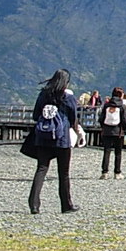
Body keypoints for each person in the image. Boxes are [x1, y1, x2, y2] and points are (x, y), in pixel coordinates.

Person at [27, 68, 82, 214]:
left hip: (43, 137)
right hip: (61, 138)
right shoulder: (68, 97)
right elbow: (73, 118)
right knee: (63, 173)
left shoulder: (43, 95)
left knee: (41, 168)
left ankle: (34, 204)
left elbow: (35, 115)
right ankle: (66, 205)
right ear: (66, 82)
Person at [98, 87, 126, 180]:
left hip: (107, 131)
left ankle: (104, 172)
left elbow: (101, 119)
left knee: (106, 151)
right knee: (118, 153)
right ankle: (117, 172)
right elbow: (125, 120)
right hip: (118, 132)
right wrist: (123, 128)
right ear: (121, 95)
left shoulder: (107, 105)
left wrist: (103, 127)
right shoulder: (123, 106)